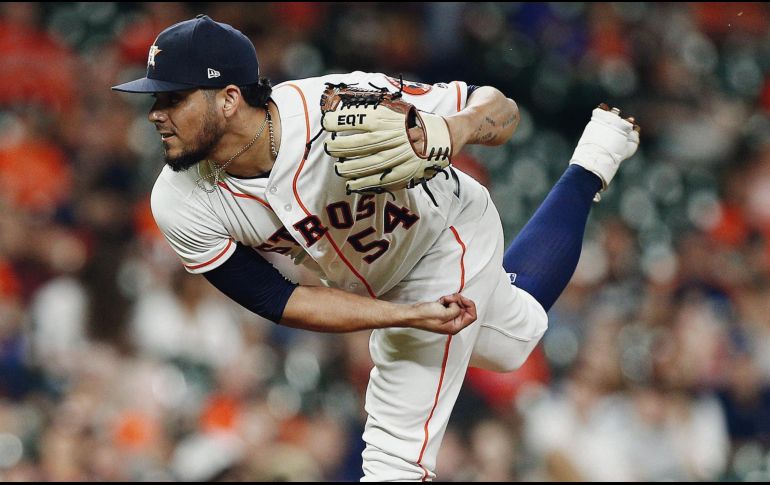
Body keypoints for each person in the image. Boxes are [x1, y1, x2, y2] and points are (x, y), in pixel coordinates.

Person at [112, 15, 639, 481]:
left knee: (393, 459)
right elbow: (280, 301)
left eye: (172, 98)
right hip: (376, 276)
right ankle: (593, 160)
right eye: (156, 99)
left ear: (228, 99)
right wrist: (402, 313)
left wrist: (451, 130)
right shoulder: (180, 201)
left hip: (445, 234)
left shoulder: (337, 105)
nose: (156, 113)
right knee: (511, 340)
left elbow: (499, 108)